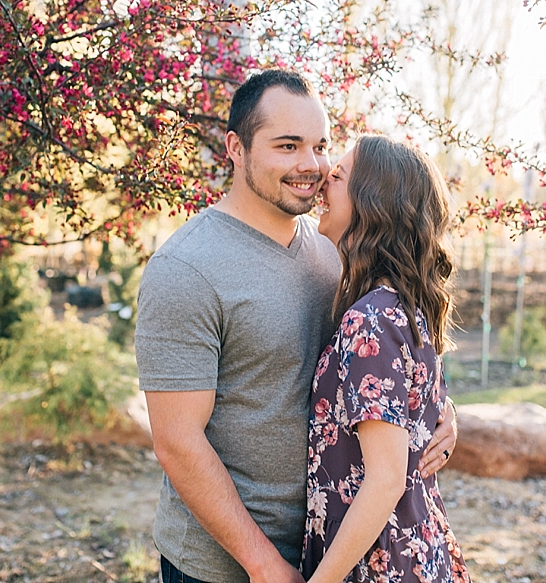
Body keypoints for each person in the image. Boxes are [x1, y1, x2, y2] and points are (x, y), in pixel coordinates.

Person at [134, 70, 459, 583]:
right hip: (224, 566)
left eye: (320, 146)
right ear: (236, 148)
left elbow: (388, 353)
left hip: (329, 549)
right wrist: (263, 565)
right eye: (288, 146)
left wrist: (438, 409)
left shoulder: (334, 252)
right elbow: (177, 442)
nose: (311, 166)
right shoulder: (186, 269)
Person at [301, 135, 470, 583]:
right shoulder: (403, 308)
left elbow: (385, 482)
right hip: (414, 550)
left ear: (372, 204)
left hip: (378, 563)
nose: (322, 183)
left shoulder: (371, 320)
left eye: (336, 177)